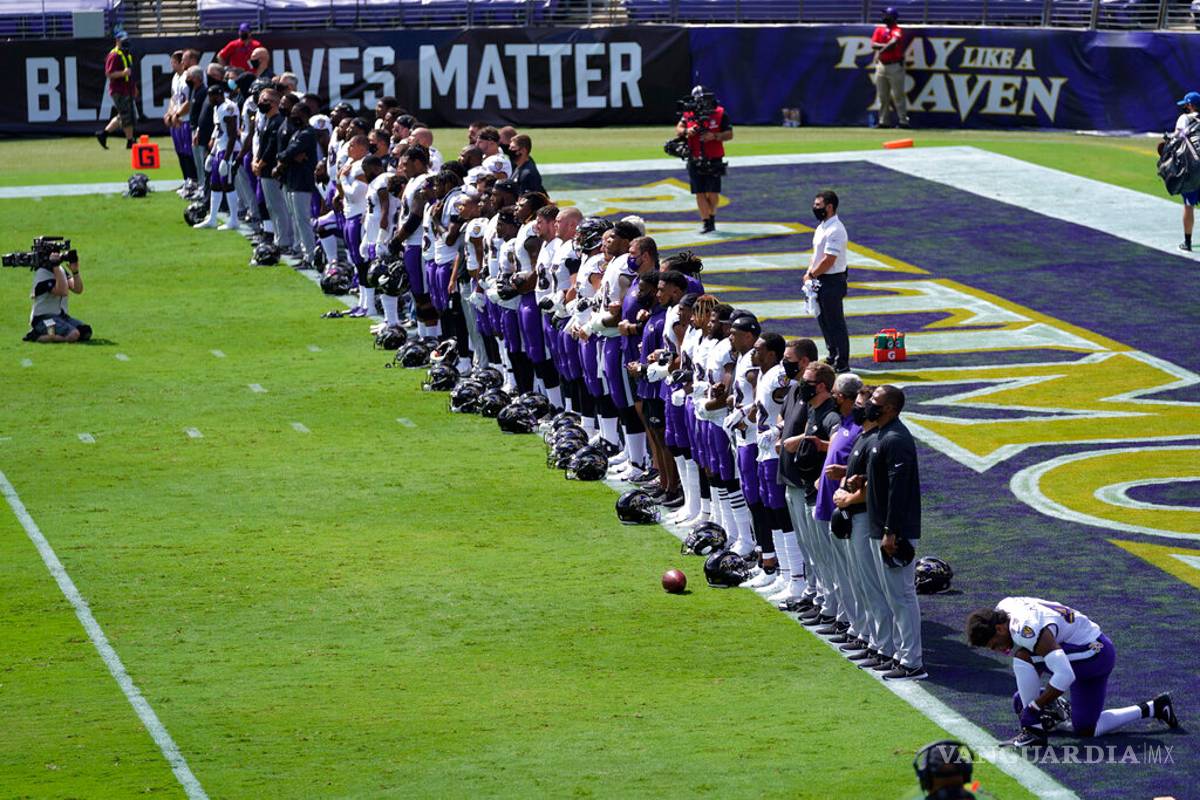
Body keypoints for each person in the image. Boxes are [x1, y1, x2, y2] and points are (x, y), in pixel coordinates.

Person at [966, 597, 1179, 747]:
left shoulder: (1023, 629)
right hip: (1094, 648)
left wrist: (1034, 706)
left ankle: (1033, 728)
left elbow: (1065, 674)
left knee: (1024, 658)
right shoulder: (1005, 607)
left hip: (1093, 655)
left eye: (993, 644)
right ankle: (1154, 708)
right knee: (1087, 729)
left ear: (1000, 629)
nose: (996, 650)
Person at [853, 384, 925, 680]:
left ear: (891, 408)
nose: (869, 403)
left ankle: (911, 662)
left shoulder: (896, 438)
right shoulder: (881, 435)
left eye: (876, 401)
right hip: (880, 525)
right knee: (886, 592)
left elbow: (899, 489)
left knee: (901, 595)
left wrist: (891, 531)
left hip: (893, 529)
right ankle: (892, 652)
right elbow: (883, 479)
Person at [675, 85, 732, 234]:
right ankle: (706, 222)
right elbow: (679, 128)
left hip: (714, 157)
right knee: (699, 192)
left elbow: (729, 134)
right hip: (694, 156)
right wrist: (687, 131)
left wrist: (714, 136)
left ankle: (712, 217)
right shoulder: (688, 114)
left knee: (713, 191)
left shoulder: (720, 113)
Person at [805, 189, 851, 373]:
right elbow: (816, 255)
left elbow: (829, 259)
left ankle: (842, 360)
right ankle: (832, 354)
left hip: (832, 279)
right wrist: (809, 271)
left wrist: (813, 274)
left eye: (818, 205)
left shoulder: (836, 229)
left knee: (835, 321)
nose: (815, 208)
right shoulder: (822, 226)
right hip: (820, 277)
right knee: (823, 319)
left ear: (829, 207)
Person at [276, 103, 319, 266]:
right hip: (294, 179)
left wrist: (285, 156)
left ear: (305, 115)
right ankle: (303, 251)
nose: (294, 116)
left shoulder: (307, 133)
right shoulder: (298, 132)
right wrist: (287, 156)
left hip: (302, 181)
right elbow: (288, 154)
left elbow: (287, 153)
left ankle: (310, 256)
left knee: (303, 220)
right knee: (297, 218)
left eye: (297, 114)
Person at [25, 249, 90, 343]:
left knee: (85, 332)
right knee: (74, 334)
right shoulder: (42, 274)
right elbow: (62, 291)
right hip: (43, 319)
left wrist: (75, 271)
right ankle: (35, 336)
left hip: (60, 316)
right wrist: (55, 266)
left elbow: (78, 289)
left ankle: (56, 335)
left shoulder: (60, 270)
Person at [96, 30, 137, 150]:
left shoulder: (126, 53)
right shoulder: (114, 54)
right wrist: (122, 73)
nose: (126, 43)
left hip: (127, 88)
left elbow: (130, 74)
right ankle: (130, 141)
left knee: (124, 115)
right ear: (117, 40)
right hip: (119, 90)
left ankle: (104, 134)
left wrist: (134, 86)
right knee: (126, 115)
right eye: (123, 41)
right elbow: (109, 74)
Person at [871, 7, 909, 129]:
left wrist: (880, 49)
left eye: (885, 15)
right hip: (882, 65)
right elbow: (873, 44)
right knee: (882, 96)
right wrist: (882, 47)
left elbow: (894, 43)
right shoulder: (879, 30)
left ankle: (903, 121)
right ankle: (883, 121)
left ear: (892, 17)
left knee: (898, 95)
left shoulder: (897, 29)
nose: (883, 17)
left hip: (895, 65)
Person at [1174, 91, 1200, 251]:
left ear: (1190, 105)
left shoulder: (1184, 119)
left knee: (1188, 205)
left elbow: (1177, 140)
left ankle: (1188, 242)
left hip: (1191, 170)